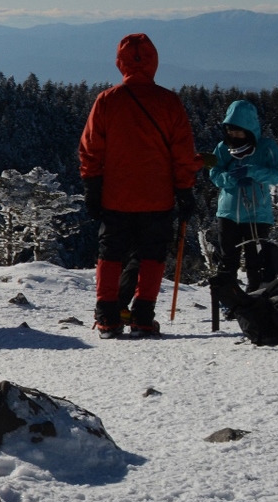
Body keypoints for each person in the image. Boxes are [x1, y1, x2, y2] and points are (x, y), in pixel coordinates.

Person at [78, 33, 203, 338]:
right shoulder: (169, 102)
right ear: (154, 62)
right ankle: (143, 317)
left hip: (115, 196)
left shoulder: (107, 100)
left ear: (120, 62)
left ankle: (107, 317)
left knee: (110, 255)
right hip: (157, 198)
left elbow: (90, 148)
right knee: (152, 256)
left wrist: (92, 186)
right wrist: (184, 189)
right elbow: (183, 153)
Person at [204, 99, 278, 293]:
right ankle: (229, 298)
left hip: (258, 213)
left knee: (256, 260)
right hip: (228, 213)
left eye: (238, 131)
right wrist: (230, 179)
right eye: (231, 131)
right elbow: (214, 174)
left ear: (249, 128)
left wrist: (252, 171)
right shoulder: (223, 148)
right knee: (227, 260)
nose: (234, 135)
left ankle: (255, 298)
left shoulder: (266, 147)